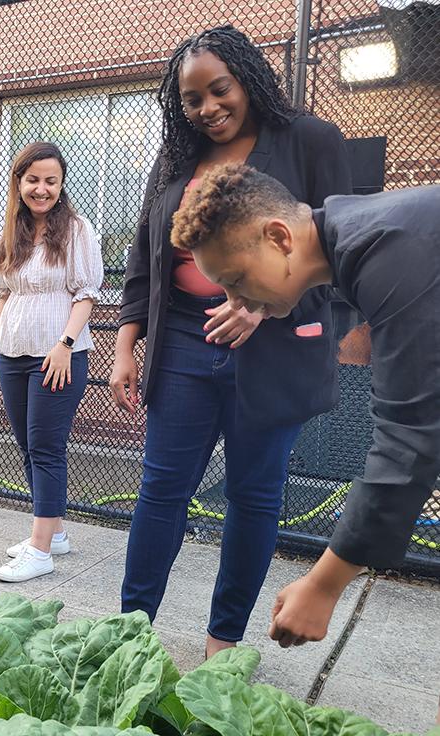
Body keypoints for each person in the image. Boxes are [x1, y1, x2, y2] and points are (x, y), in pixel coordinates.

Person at [109, 25, 352, 658]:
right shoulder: (175, 155)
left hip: (273, 347)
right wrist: (124, 345)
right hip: (185, 339)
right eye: (192, 99)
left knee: (253, 494)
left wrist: (266, 307)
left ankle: (223, 643)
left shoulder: (308, 141)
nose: (209, 109)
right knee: (161, 489)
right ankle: (129, 634)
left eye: (220, 91)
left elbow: (343, 250)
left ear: (247, 78)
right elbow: (146, 257)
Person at [171, 163, 440, 724]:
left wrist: (325, 582)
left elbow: (410, 438)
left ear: (278, 237)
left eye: (237, 279)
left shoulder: (390, 249)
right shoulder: (355, 243)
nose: (235, 300)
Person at [0, 142, 104, 583]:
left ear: (61, 184)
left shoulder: (77, 230)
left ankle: (39, 550)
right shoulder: (11, 232)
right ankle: (55, 533)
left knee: (47, 448)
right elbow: (3, 295)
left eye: (51, 180)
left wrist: (65, 344)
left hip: (57, 357)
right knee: (28, 447)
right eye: (33, 180)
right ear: (19, 183)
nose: (41, 189)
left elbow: (86, 293)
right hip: (12, 352)